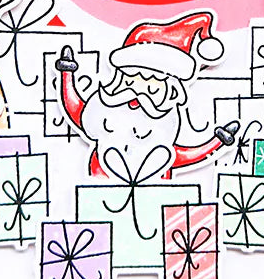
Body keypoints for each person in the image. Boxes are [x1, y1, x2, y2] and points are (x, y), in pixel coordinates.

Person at [55, 12, 239, 177]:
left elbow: (187, 156)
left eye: (152, 90)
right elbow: (75, 108)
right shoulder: (99, 116)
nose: (137, 98)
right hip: (97, 190)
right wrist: (66, 74)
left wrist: (218, 142)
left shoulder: (160, 149)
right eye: (129, 83)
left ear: (171, 94)